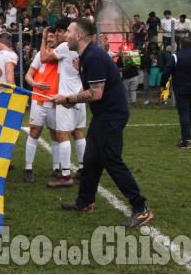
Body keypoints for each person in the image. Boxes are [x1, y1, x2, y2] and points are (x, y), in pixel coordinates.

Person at [50, 19, 152, 228]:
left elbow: (96, 93)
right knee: (91, 159)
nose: (64, 35)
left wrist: (67, 99)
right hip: (102, 115)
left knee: (111, 160)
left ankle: (141, 208)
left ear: (78, 36)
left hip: (111, 116)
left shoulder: (94, 57)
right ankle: (85, 201)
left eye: (68, 32)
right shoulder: (86, 57)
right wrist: (70, 101)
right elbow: (87, 88)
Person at [39, 18, 86, 186]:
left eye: (59, 31)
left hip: (66, 97)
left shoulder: (65, 47)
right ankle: (82, 167)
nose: (58, 34)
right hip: (81, 95)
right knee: (78, 132)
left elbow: (43, 58)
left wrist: (44, 40)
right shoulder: (82, 47)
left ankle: (66, 175)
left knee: (62, 134)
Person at [24, 27, 62, 183]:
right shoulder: (41, 54)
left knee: (56, 134)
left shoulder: (62, 55)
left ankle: (56, 168)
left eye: (54, 36)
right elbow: (28, 75)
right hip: (39, 99)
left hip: (56, 101)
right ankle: (28, 168)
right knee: (34, 132)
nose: (51, 39)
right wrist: (36, 84)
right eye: (49, 37)